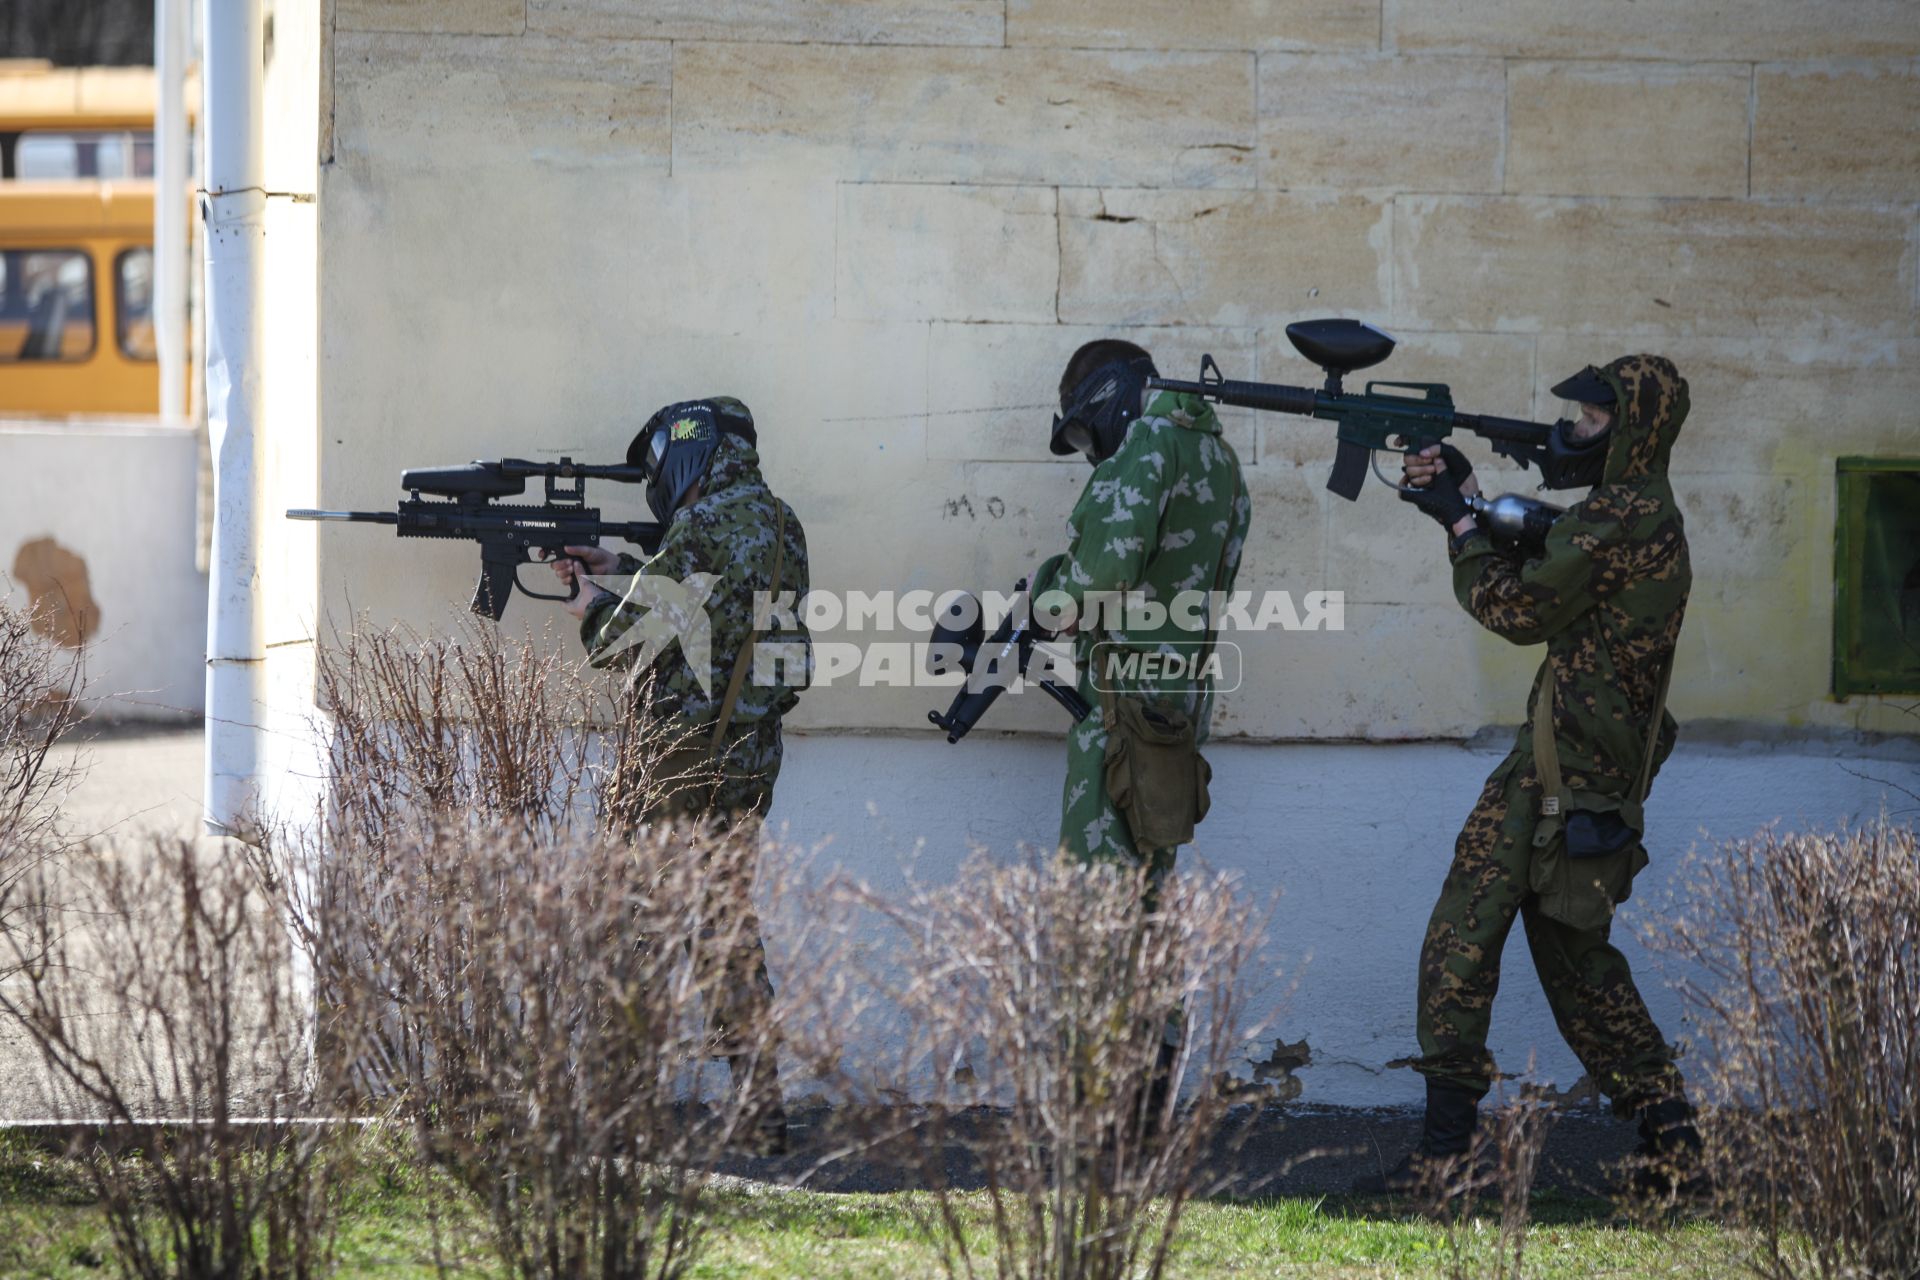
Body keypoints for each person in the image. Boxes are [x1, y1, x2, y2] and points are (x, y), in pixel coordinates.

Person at [1358, 355, 1704, 1197]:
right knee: (1579, 966)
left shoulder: (1618, 517)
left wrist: (1459, 528)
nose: (1571, 431)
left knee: (1459, 940)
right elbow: (1560, 548)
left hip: (1557, 771)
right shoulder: (1640, 513)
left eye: (1589, 419)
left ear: (1630, 431)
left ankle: (1447, 1160)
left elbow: (1517, 611)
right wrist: (1473, 499)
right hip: (1584, 764)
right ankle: (1677, 1151)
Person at [550, 395, 810, 1156]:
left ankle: (613, 1115)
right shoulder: (780, 523)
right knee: (725, 928)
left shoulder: (699, 526)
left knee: (635, 928)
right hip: (748, 754)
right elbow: (716, 607)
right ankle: (763, 1114)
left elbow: (627, 639)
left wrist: (593, 606)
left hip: (677, 759)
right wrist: (630, 570)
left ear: (690, 456)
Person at [1031, 340, 1251, 878]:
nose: (1090, 449)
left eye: (1084, 430)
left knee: (1096, 899)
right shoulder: (1219, 456)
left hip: (1122, 708)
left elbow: (1101, 575)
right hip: (1179, 701)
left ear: (1112, 395)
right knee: (1147, 893)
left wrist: (1045, 595)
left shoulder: (1146, 443)